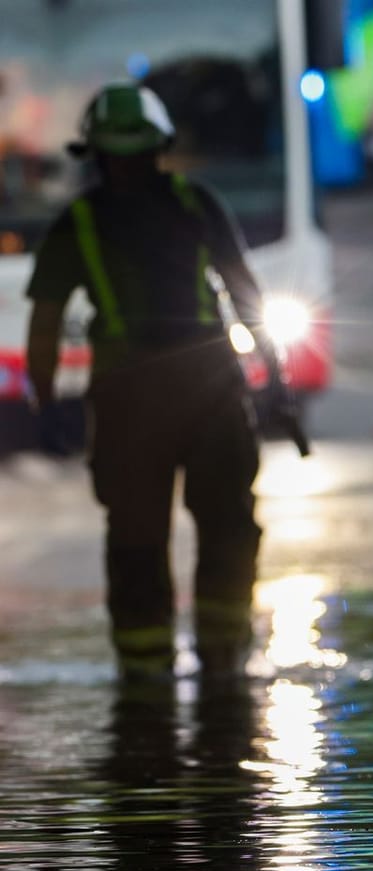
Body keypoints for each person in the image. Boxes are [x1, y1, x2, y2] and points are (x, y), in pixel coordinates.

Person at [23, 83, 293, 679]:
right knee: (220, 528)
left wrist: (43, 409)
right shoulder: (196, 202)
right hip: (208, 388)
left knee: (139, 540)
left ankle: (149, 675)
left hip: (133, 398)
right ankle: (220, 662)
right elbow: (247, 293)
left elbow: (44, 327)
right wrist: (276, 383)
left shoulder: (78, 221)